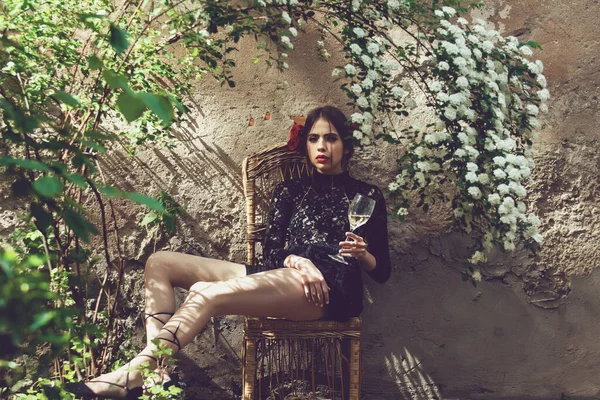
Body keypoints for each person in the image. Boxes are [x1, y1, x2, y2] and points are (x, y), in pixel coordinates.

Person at [66, 105, 391, 399]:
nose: (321, 146)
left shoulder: (366, 195)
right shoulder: (290, 190)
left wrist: (363, 255)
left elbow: (382, 271)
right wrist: (297, 259)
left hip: (328, 286)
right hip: (286, 272)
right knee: (159, 262)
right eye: (314, 138)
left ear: (345, 145)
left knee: (207, 294)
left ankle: (129, 377)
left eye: (331, 138)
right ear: (305, 144)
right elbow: (272, 253)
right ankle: (158, 380)